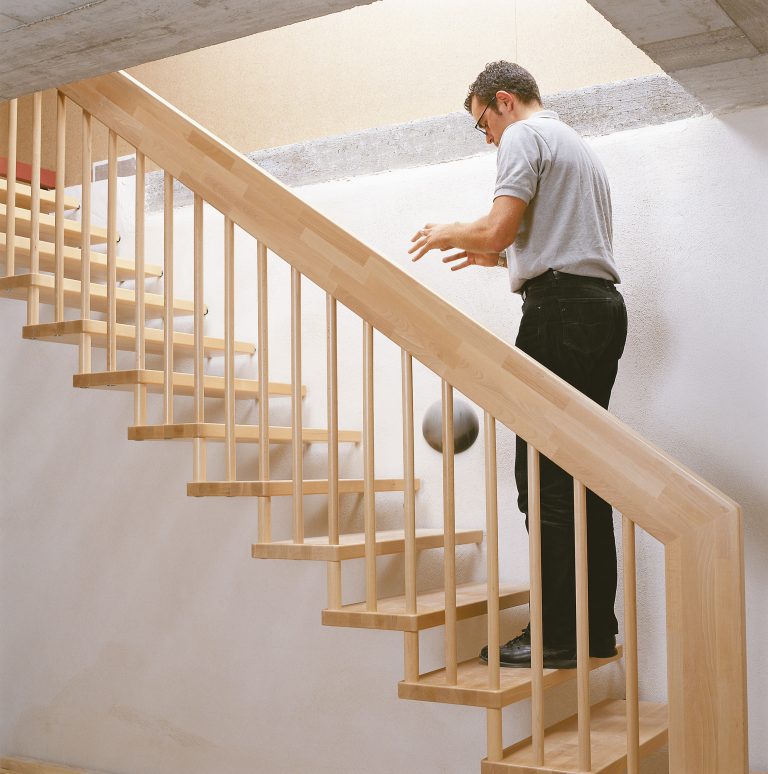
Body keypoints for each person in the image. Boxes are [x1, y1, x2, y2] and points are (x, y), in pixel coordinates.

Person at [408, 61, 627, 669]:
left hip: (559, 313)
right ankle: (592, 631)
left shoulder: (525, 136)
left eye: (483, 124)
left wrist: (455, 231)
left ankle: (555, 637)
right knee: (587, 479)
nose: (488, 139)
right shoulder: (575, 143)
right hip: (599, 310)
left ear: (503, 101)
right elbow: (552, 241)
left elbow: (499, 227)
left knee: (545, 482)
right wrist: (502, 259)